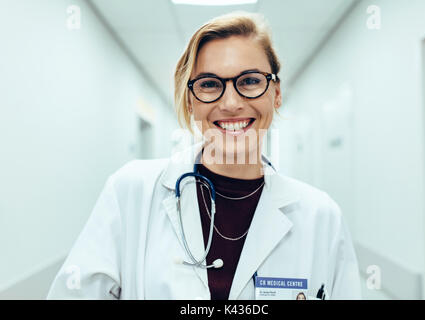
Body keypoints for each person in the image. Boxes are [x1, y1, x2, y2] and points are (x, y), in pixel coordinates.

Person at [47, 11, 361, 300]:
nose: (231, 102)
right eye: (210, 84)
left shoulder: (322, 217)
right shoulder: (130, 193)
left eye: (250, 80)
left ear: (276, 94)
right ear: (190, 102)